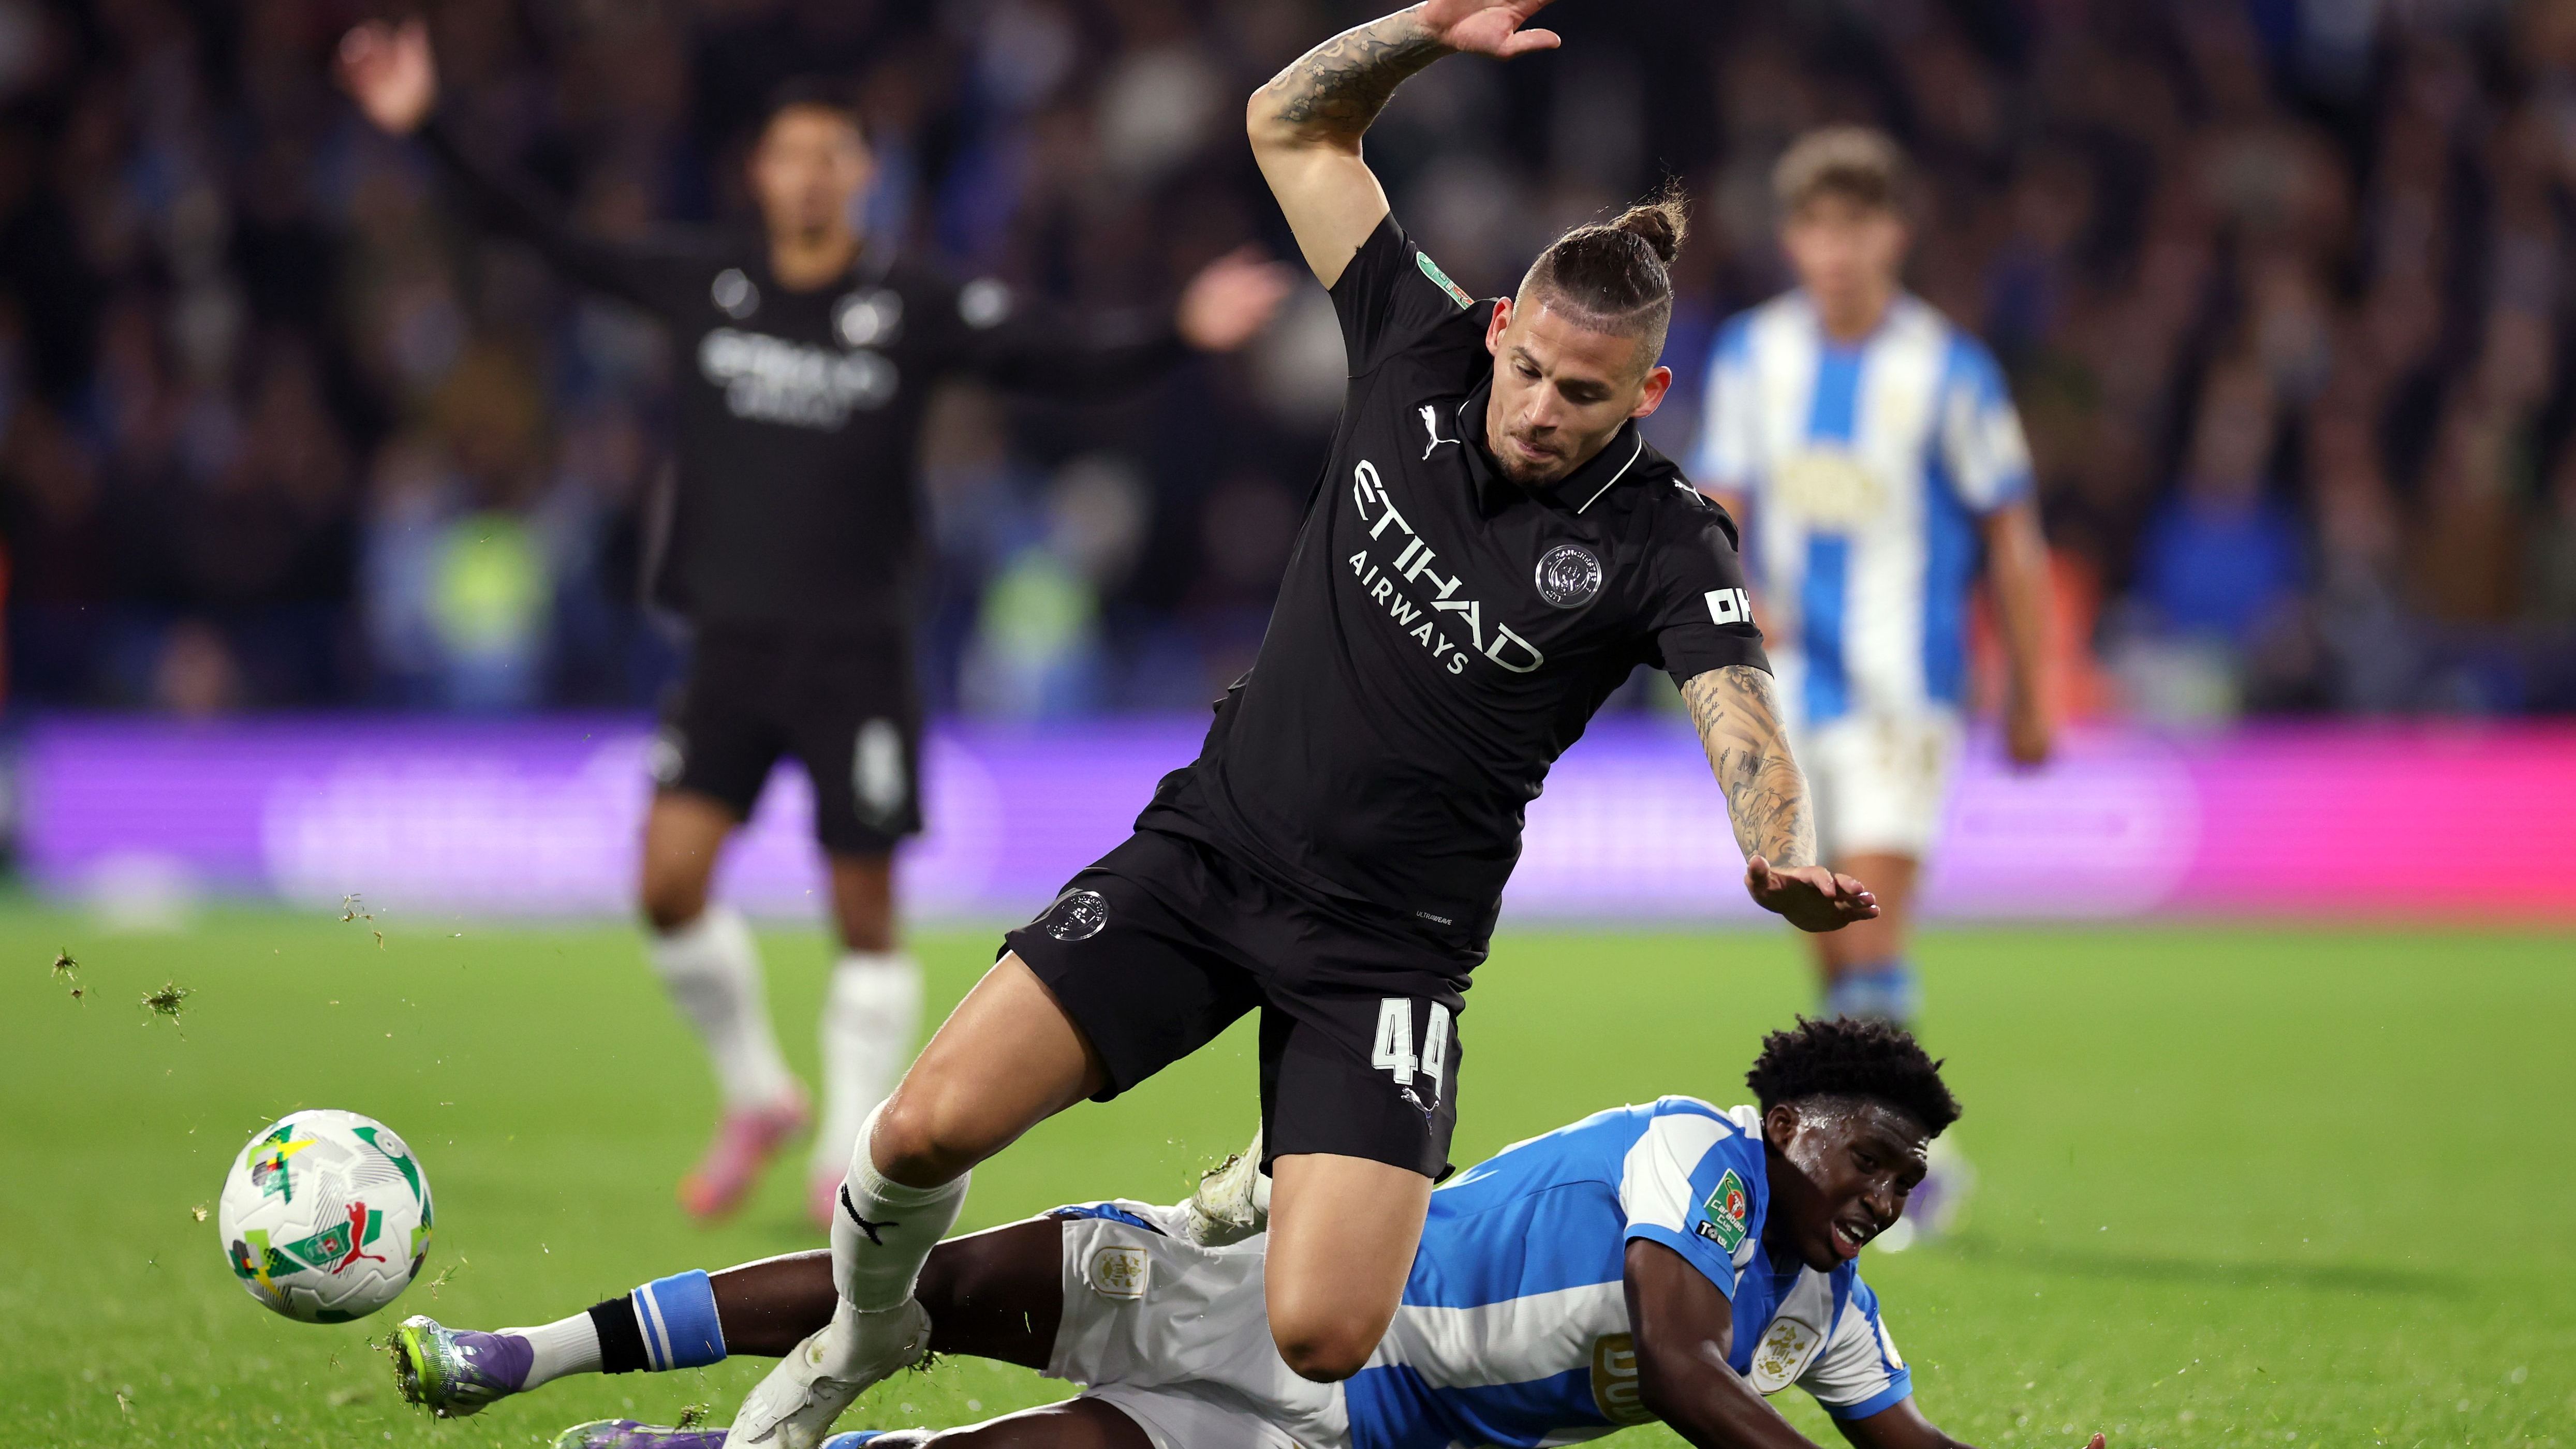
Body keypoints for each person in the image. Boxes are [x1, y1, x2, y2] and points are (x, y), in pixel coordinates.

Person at [706, 4, 1884, 1445]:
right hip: (1211, 858)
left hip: (1386, 955)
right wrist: (1425, 33)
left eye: (1584, 397)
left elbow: (1736, 700)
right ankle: (860, 1338)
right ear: (1502, 328)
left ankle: (1222, 1206)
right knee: (913, 1135)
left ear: (1644, 394)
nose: (1538, 410)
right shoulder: (1417, 345)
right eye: (1528, 370)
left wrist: (1777, 846)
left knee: (1323, 1332)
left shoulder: (1661, 536)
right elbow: (1289, 122)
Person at [335, 22, 1290, 1226]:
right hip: (726, 648)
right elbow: (549, 237)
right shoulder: (704, 283)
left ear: (862, 173)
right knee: (668, 881)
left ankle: (842, 1145)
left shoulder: (908, 301)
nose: (810, 174)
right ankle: (754, 1091)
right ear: (760, 173)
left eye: (834, 155)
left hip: (856, 652)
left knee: (861, 912)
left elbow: (1049, 350)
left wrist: (1175, 328)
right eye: (790, 155)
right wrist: (427, 123)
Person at [385, 1018, 2103, 1449]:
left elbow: (1897, 1433)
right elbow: (1672, 1360)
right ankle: (516, 1356)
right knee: (925, 1297)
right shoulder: (1698, 1160)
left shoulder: (1826, 1306)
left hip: (1326, 1432)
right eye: (1869, 1161)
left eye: (1902, 1184)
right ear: (1785, 1121)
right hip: (1258, 1284)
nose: (1883, 1201)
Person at [1688, 128, 2053, 1242]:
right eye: (1814, 226)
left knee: (1875, 936)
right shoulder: (1754, 357)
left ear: (1892, 232)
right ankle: (1896, 1168)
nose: (1834, 249)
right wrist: (1725, 591)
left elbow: (2011, 531)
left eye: (1855, 225)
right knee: (1823, 939)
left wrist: (2031, 686)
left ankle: (1888, 1178)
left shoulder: (1947, 369)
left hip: (1905, 688)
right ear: (1792, 237)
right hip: (1785, 688)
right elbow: (1717, 506)